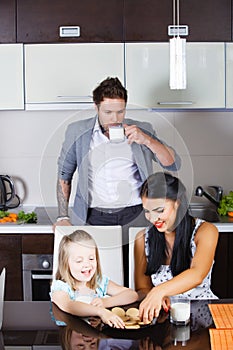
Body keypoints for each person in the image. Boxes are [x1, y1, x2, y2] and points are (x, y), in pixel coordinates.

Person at [54, 77, 181, 228]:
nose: (115, 119)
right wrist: (62, 216)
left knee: (137, 253)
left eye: (120, 112)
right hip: (93, 215)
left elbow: (174, 164)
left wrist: (147, 140)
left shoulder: (141, 130)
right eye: (108, 112)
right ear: (96, 107)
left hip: (137, 213)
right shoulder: (77, 131)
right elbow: (64, 176)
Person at [134, 172, 219, 324]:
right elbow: (142, 286)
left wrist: (159, 291)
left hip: (203, 317)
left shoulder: (206, 231)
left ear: (177, 202)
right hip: (164, 319)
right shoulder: (142, 239)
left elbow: (197, 274)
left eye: (159, 210)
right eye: (147, 211)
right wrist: (157, 298)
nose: (153, 218)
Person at [50, 229, 138, 328]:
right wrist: (100, 311)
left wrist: (105, 302)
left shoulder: (99, 282)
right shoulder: (61, 287)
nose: (87, 264)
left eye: (91, 258)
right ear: (66, 264)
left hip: (95, 333)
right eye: (79, 261)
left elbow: (132, 295)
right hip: (74, 331)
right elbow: (69, 306)